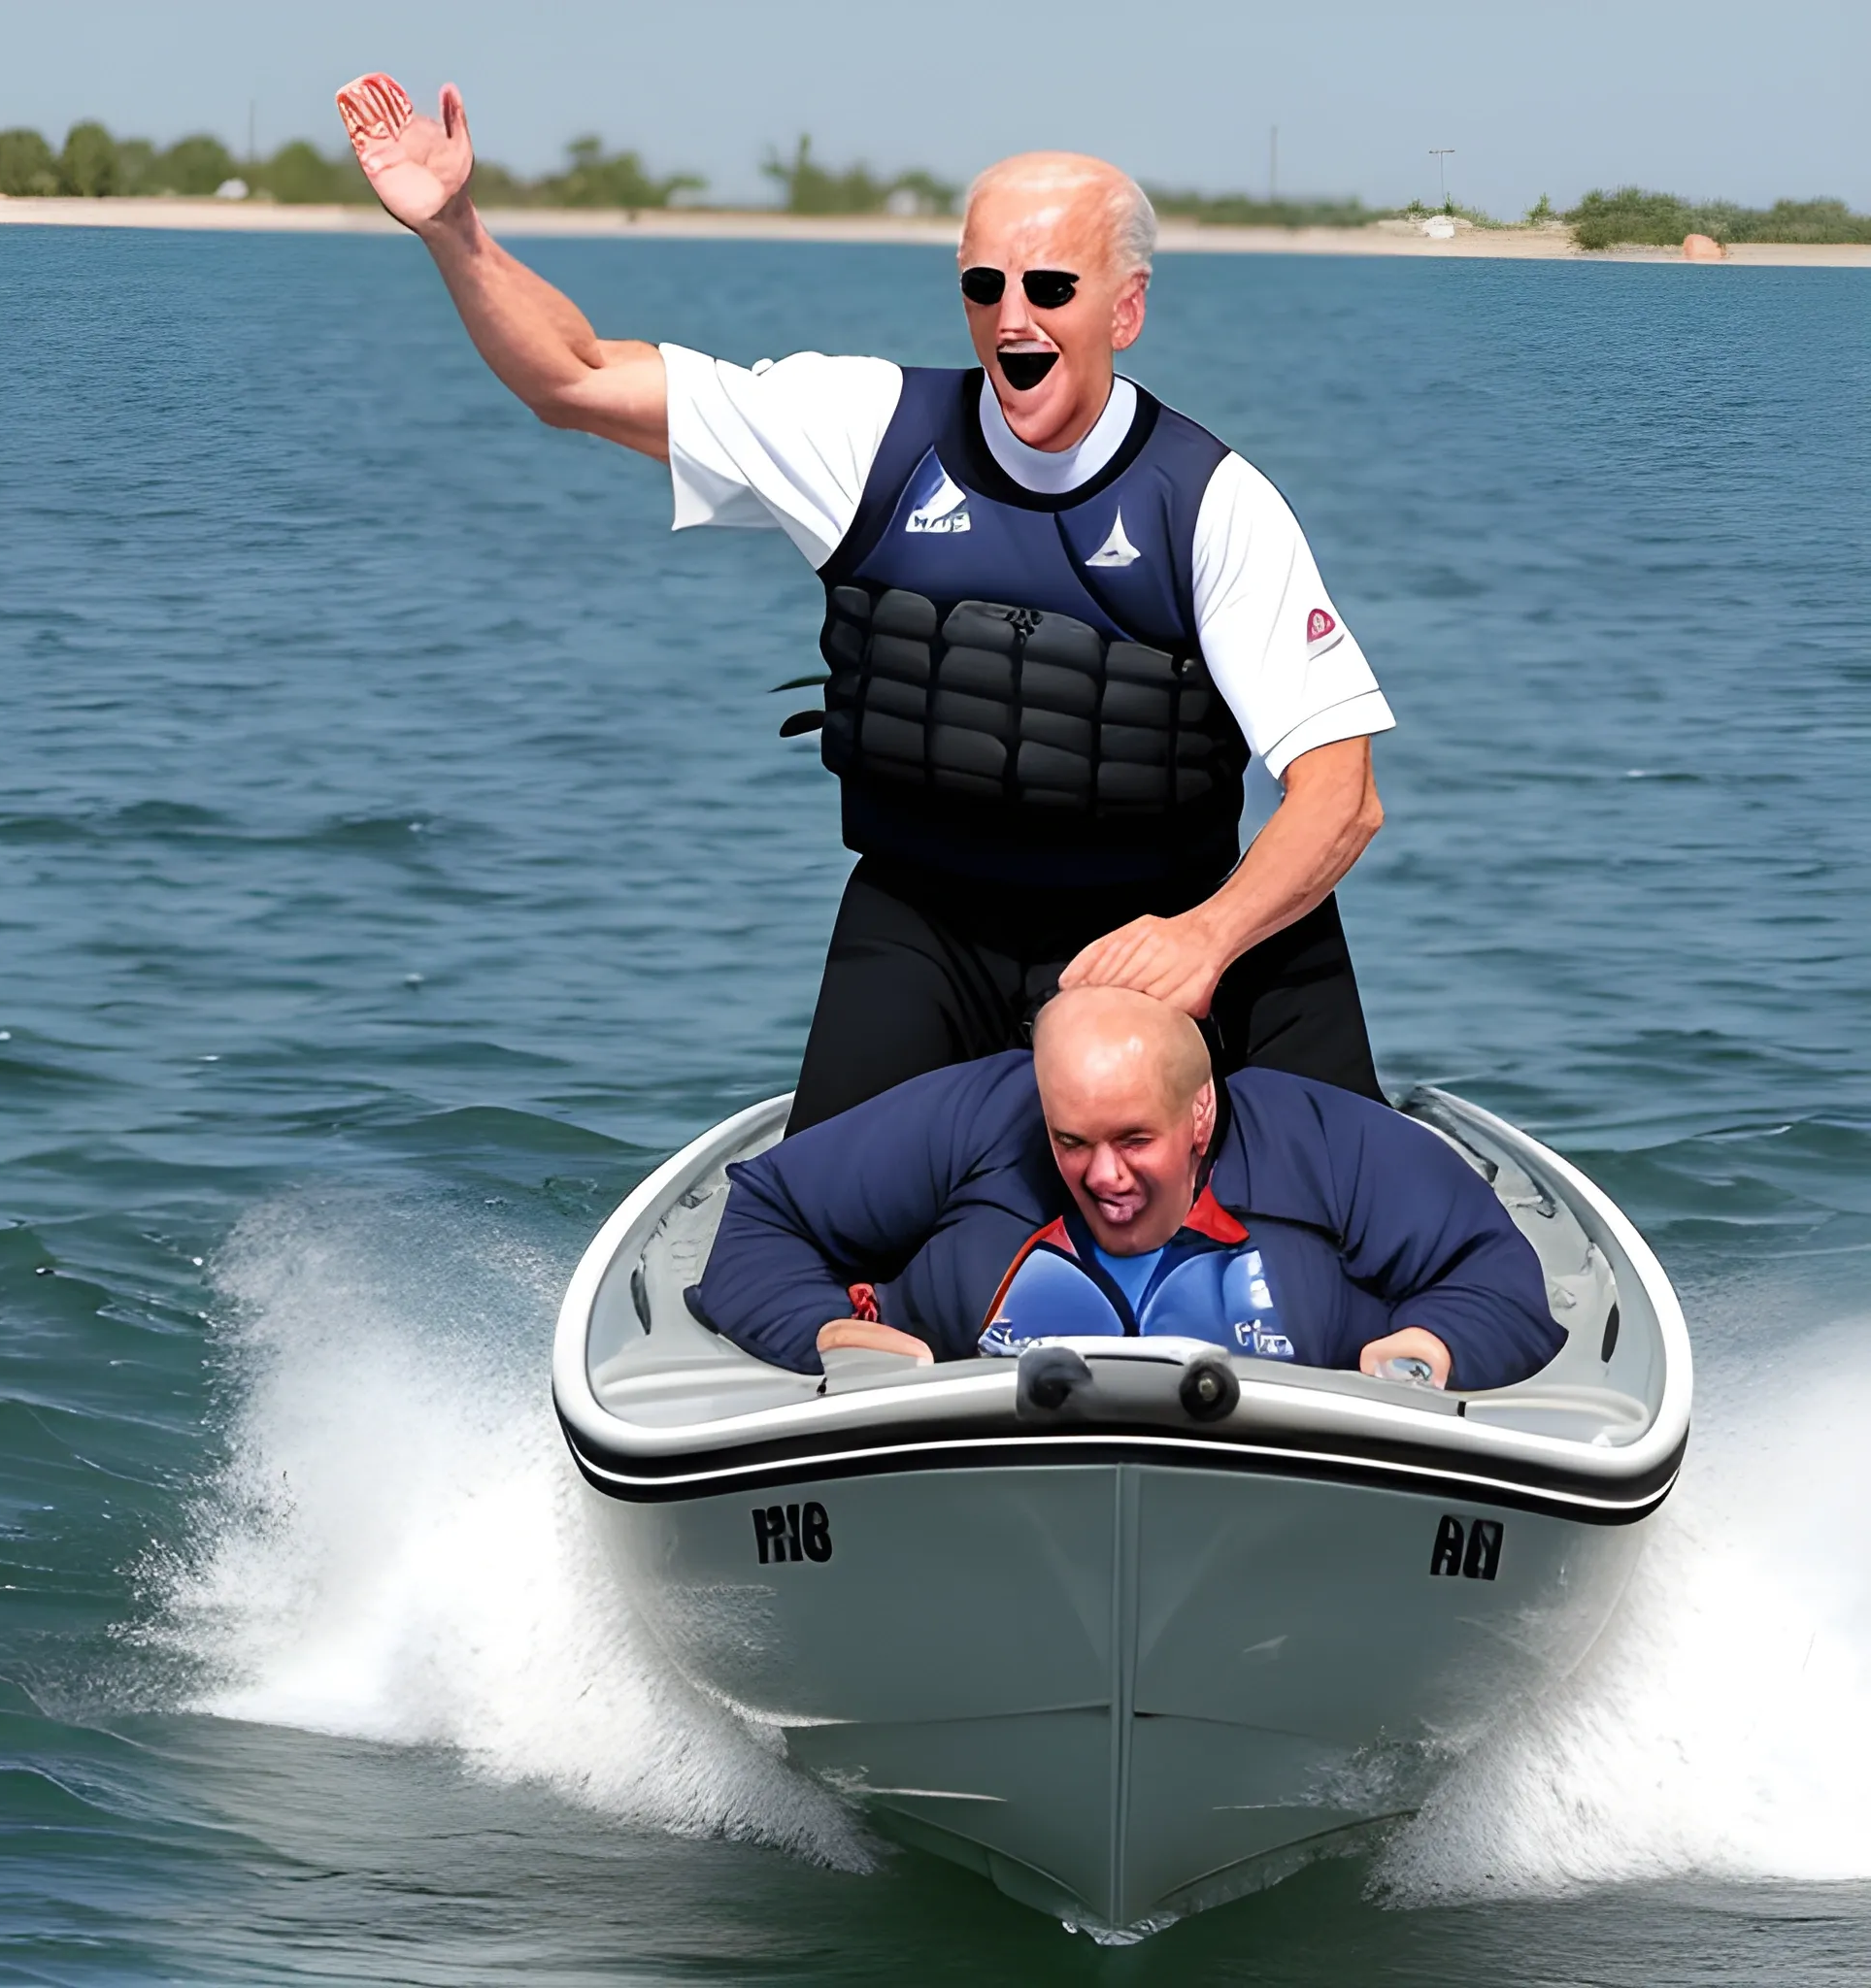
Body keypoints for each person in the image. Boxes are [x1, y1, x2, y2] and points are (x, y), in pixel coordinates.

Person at [337, 76, 1395, 1130]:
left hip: (1159, 922)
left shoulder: (1211, 502)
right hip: (925, 918)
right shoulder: (861, 432)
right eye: (984, 285)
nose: (1013, 319)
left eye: (1050, 289)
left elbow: (1339, 795)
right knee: (812, 1227)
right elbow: (572, 378)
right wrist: (454, 228)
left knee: (1355, 1205)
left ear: (1125, 304)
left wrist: (1203, 939)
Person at [686, 986, 1563, 1391]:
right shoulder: (977, 1119)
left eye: (1134, 1139)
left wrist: (1432, 1351)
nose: (1105, 1177)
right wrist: (822, 1333)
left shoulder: (1326, 1145)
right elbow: (764, 1215)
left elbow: (1496, 1275)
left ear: (1200, 1112)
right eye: (1072, 1141)